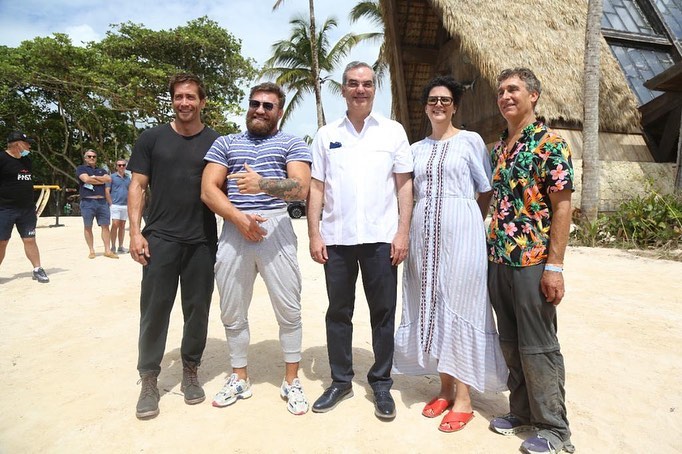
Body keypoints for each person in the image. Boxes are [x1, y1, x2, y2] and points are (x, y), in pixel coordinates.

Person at [392, 76, 508, 432]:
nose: (438, 105)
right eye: (433, 100)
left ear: (455, 106)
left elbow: (486, 189)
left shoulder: (470, 141)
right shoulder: (415, 148)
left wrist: (468, 220)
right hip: (423, 236)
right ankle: (444, 388)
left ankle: (464, 398)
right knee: (432, 304)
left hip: (462, 234)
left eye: (445, 100)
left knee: (462, 306)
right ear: (426, 107)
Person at [307, 61, 413, 420]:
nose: (360, 89)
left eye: (367, 84)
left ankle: (381, 382)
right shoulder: (326, 135)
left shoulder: (392, 132)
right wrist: (314, 233)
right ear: (343, 90)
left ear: (374, 89)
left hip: (381, 239)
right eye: (353, 83)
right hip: (336, 239)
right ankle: (340, 381)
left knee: (383, 313)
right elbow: (317, 187)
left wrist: (402, 232)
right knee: (339, 312)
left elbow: (404, 185)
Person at [201, 82, 312, 415]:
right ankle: (239, 377)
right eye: (255, 104)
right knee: (232, 308)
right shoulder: (226, 143)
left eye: (268, 106)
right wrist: (238, 218)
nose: (259, 110)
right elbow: (208, 189)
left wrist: (261, 184)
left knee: (288, 308)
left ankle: (291, 380)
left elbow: (301, 188)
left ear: (280, 111)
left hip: (276, 227)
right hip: (235, 229)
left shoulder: (291, 142)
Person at [486, 67, 575, 454]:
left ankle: (555, 429)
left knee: (539, 346)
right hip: (499, 259)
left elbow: (563, 206)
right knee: (510, 342)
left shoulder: (550, 144)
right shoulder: (499, 148)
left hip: (533, 260)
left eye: (513, 89)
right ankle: (521, 412)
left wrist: (554, 266)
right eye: (501, 91)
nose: (505, 96)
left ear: (533, 95)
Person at [127, 73, 219, 420]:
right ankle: (149, 379)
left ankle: (190, 370)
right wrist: (135, 234)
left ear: (202, 101)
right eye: (179, 97)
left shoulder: (216, 142)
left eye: (191, 97)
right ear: (172, 100)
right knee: (154, 311)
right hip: (160, 238)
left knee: (197, 309)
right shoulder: (151, 138)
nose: (184, 103)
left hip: (202, 240)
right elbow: (137, 186)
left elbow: (225, 189)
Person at [0, 131, 49, 283]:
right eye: (27, 143)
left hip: (27, 210)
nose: (29, 146)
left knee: (30, 239)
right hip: (5, 209)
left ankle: (37, 269)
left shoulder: (27, 161)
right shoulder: (2, 159)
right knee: (2, 242)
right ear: (18, 144)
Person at [75, 149, 117, 259]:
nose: (92, 158)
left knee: (105, 226)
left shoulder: (101, 170)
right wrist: (100, 180)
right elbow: (86, 180)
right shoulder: (81, 168)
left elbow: (108, 179)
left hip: (102, 202)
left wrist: (94, 178)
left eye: (94, 156)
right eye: (89, 156)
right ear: (85, 158)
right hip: (88, 202)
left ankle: (107, 250)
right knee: (88, 226)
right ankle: (91, 250)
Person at [105, 158, 130, 253]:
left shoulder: (128, 178)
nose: (121, 167)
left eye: (123, 165)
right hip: (115, 205)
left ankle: (120, 246)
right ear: (116, 167)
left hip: (125, 205)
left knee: (122, 226)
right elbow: (107, 191)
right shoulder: (111, 177)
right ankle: (113, 246)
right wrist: (111, 203)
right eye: (119, 165)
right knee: (115, 225)